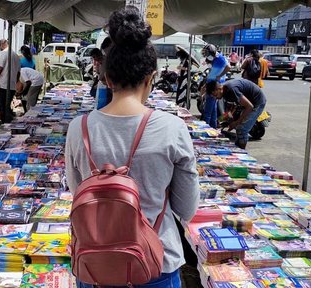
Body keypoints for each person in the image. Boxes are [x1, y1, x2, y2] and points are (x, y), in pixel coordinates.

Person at [65, 7, 200, 288]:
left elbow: (79, 193)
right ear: (150, 77)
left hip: (94, 265)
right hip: (156, 263)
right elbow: (185, 209)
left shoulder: (80, 128)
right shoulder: (172, 128)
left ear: (107, 78)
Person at [206, 78, 267, 149]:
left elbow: (249, 106)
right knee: (238, 128)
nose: (215, 98)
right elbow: (230, 110)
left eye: (215, 95)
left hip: (257, 102)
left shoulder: (232, 89)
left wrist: (237, 122)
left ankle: (242, 152)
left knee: (242, 129)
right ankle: (238, 148)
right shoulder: (225, 92)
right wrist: (225, 121)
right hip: (247, 103)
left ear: (219, 89)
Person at [0, 39, 21, 123]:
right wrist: (16, 82)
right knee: (7, 105)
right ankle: (7, 122)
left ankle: (4, 123)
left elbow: (0, 68)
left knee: (2, 106)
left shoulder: (3, 53)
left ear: (3, 44)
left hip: (3, 84)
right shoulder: (16, 55)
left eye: (0, 47)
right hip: (12, 85)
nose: (0, 49)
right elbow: (18, 72)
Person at [200, 44, 230, 129]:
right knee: (213, 110)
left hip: (214, 86)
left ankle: (205, 129)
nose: (205, 54)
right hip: (212, 84)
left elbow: (228, 67)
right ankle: (213, 127)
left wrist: (220, 75)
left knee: (208, 111)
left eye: (207, 53)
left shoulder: (220, 58)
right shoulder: (215, 58)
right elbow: (212, 73)